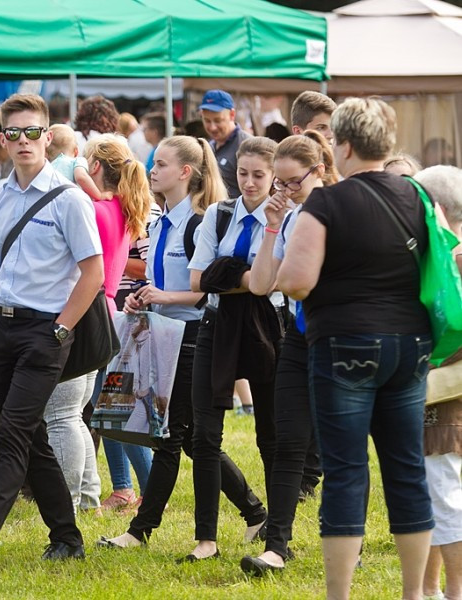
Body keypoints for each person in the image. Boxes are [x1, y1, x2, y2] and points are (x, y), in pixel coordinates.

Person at [278, 97, 434, 600]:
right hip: (410, 346)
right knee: (406, 469)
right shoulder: (418, 195)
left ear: (342, 145)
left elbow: (297, 282)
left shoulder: (326, 203)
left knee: (346, 471)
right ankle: (414, 594)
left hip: (345, 344)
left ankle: (339, 596)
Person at [0, 93, 103, 570]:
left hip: (45, 333)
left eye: (32, 131)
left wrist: (61, 330)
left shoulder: (71, 199)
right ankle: (67, 537)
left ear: (48, 136)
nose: (23, 141)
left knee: (12, 434)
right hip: (1, 328)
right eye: (13, 133)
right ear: (3, 139)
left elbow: (93, 273)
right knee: (31, 438)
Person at [97, 135, 262, 551]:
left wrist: (163, 296)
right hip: (161, 335)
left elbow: (206, 290)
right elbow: (161, 283)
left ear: (185, 172)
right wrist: (143, 297)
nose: (152, 171)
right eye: (154, 164)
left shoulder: (198, 222)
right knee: (184, 440)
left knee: (173, 438)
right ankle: (255, 512)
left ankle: (140, 531)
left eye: (161, 165)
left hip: (191, 338)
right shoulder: (159, 222)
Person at [241, 131, 339, 576]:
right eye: (278, 183)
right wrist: (272, 226)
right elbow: (262, 284)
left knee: (340, 446)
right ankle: (276, 546)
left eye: (292, 182)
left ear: (319, 171)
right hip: (298, 336)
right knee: (288, 443)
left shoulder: (337, 211)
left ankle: (346, 539)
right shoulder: (290, 216)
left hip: (337, 336)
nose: (284, 190)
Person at [185, 136, 282, 562]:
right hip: (218, 322)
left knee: (271, 436)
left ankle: (277, 533)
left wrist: (226, 273)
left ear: (274, 176)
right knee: (204, 435)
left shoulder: (284, 218)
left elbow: (276, 281)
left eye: (259, 175)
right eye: (243, 173)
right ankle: (206, 539)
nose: (249, 182)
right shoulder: (219, 215)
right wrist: (250, 276)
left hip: (267, 326)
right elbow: (197, 280)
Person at [44, 133, 151, 513]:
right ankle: (115, 490)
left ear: (93, 167)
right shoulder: (120, 208)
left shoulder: (93, 208)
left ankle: (140, 490)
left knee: (87, 411)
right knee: (99, 409)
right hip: (107, 310)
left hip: (87, 309)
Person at [414, 165, 462, 600]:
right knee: (432, 495)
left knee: (444, 496)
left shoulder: (450, 262)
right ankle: (428, 588)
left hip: (446, 397)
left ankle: (455, 591)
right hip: (442, 396)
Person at [200, 89, 251, 199]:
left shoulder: (248, 146)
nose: (212, 127)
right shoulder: (208, 146)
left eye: (218, 120)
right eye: (207, 121)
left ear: (232, 115)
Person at [46, 124, 105, 201]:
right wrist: (99, 195)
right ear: (76, 151)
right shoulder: (77, 161)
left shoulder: (47, 167)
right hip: (68, 201)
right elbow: (81, 177)